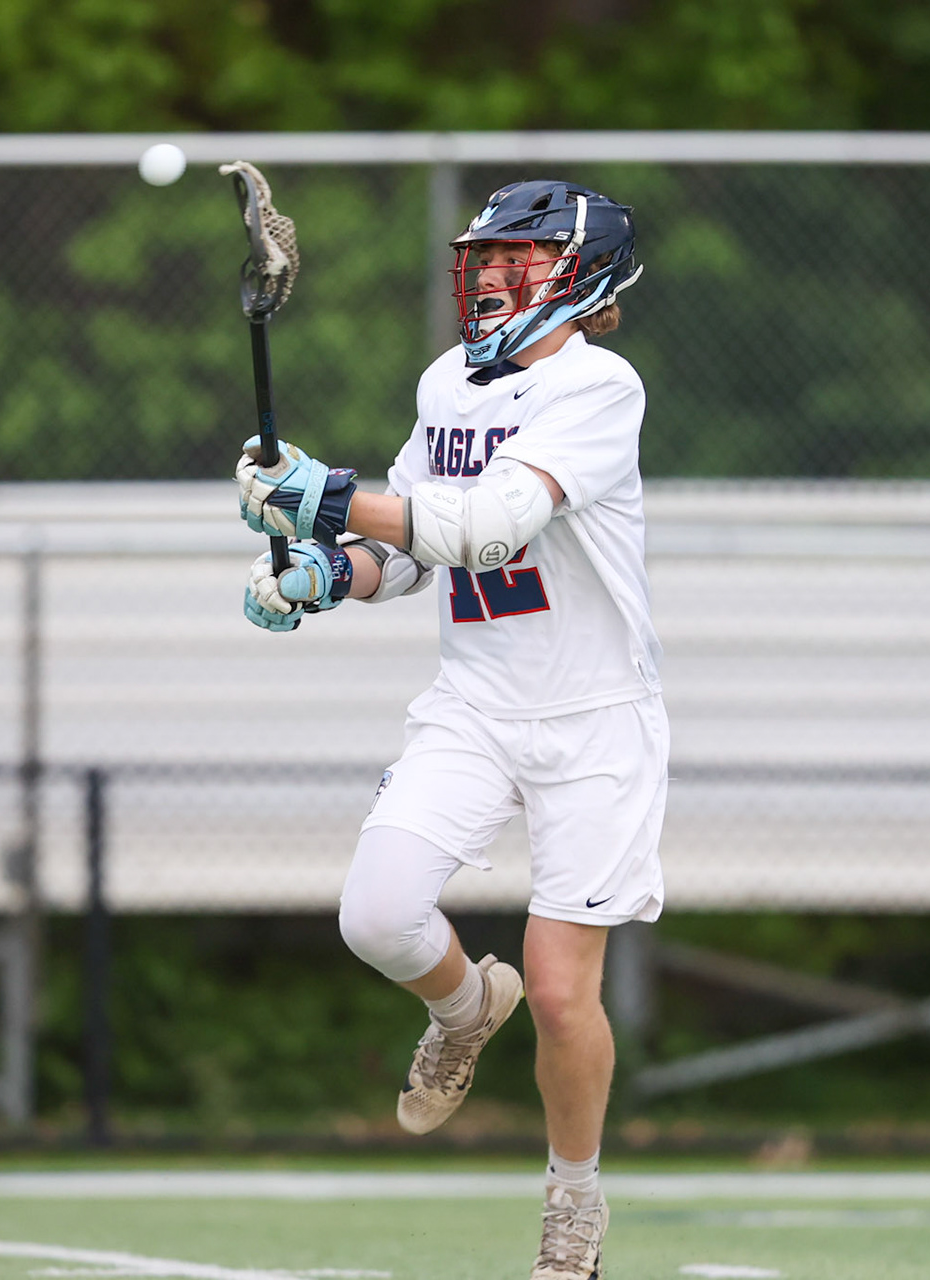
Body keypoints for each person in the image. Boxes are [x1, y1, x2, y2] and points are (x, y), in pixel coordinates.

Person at [234, 179, 663, 1280]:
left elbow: (487, 523)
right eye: (487, 259)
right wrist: (325, 573)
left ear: (584, 279)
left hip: (593, 718)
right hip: (475, 701)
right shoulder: (447, 384)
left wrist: (323, 494)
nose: (492, 277)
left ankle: (573, 1201)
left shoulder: (600, 387)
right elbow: (416, 547)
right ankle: (467, 1008)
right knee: (377, 915)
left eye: (518, 261)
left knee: (566, 992)